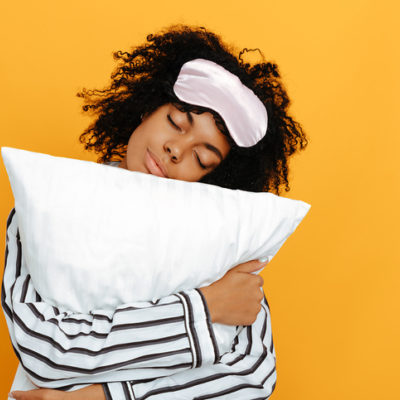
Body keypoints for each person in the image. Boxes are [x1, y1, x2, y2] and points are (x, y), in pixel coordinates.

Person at [3, 24, 308, 399]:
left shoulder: (219, 235)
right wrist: (202, 308)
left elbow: (251, 375)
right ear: (148, 107)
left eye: (202, 157)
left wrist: (101, 396)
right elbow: (46, 350)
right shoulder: (50, 202)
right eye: (177, 122)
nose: (177, 150)